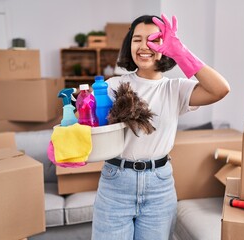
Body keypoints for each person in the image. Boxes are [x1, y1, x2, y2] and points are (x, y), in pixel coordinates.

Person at [91, 14, 230, 240]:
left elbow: (220, 89)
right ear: (129, 44)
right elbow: (83, 121)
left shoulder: (176, 89)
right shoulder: (113, 86)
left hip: (159, 185)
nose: (144, 46)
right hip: (116, 182)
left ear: (166, 46)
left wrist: (182, 52)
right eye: (137, 39)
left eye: (154, 39)